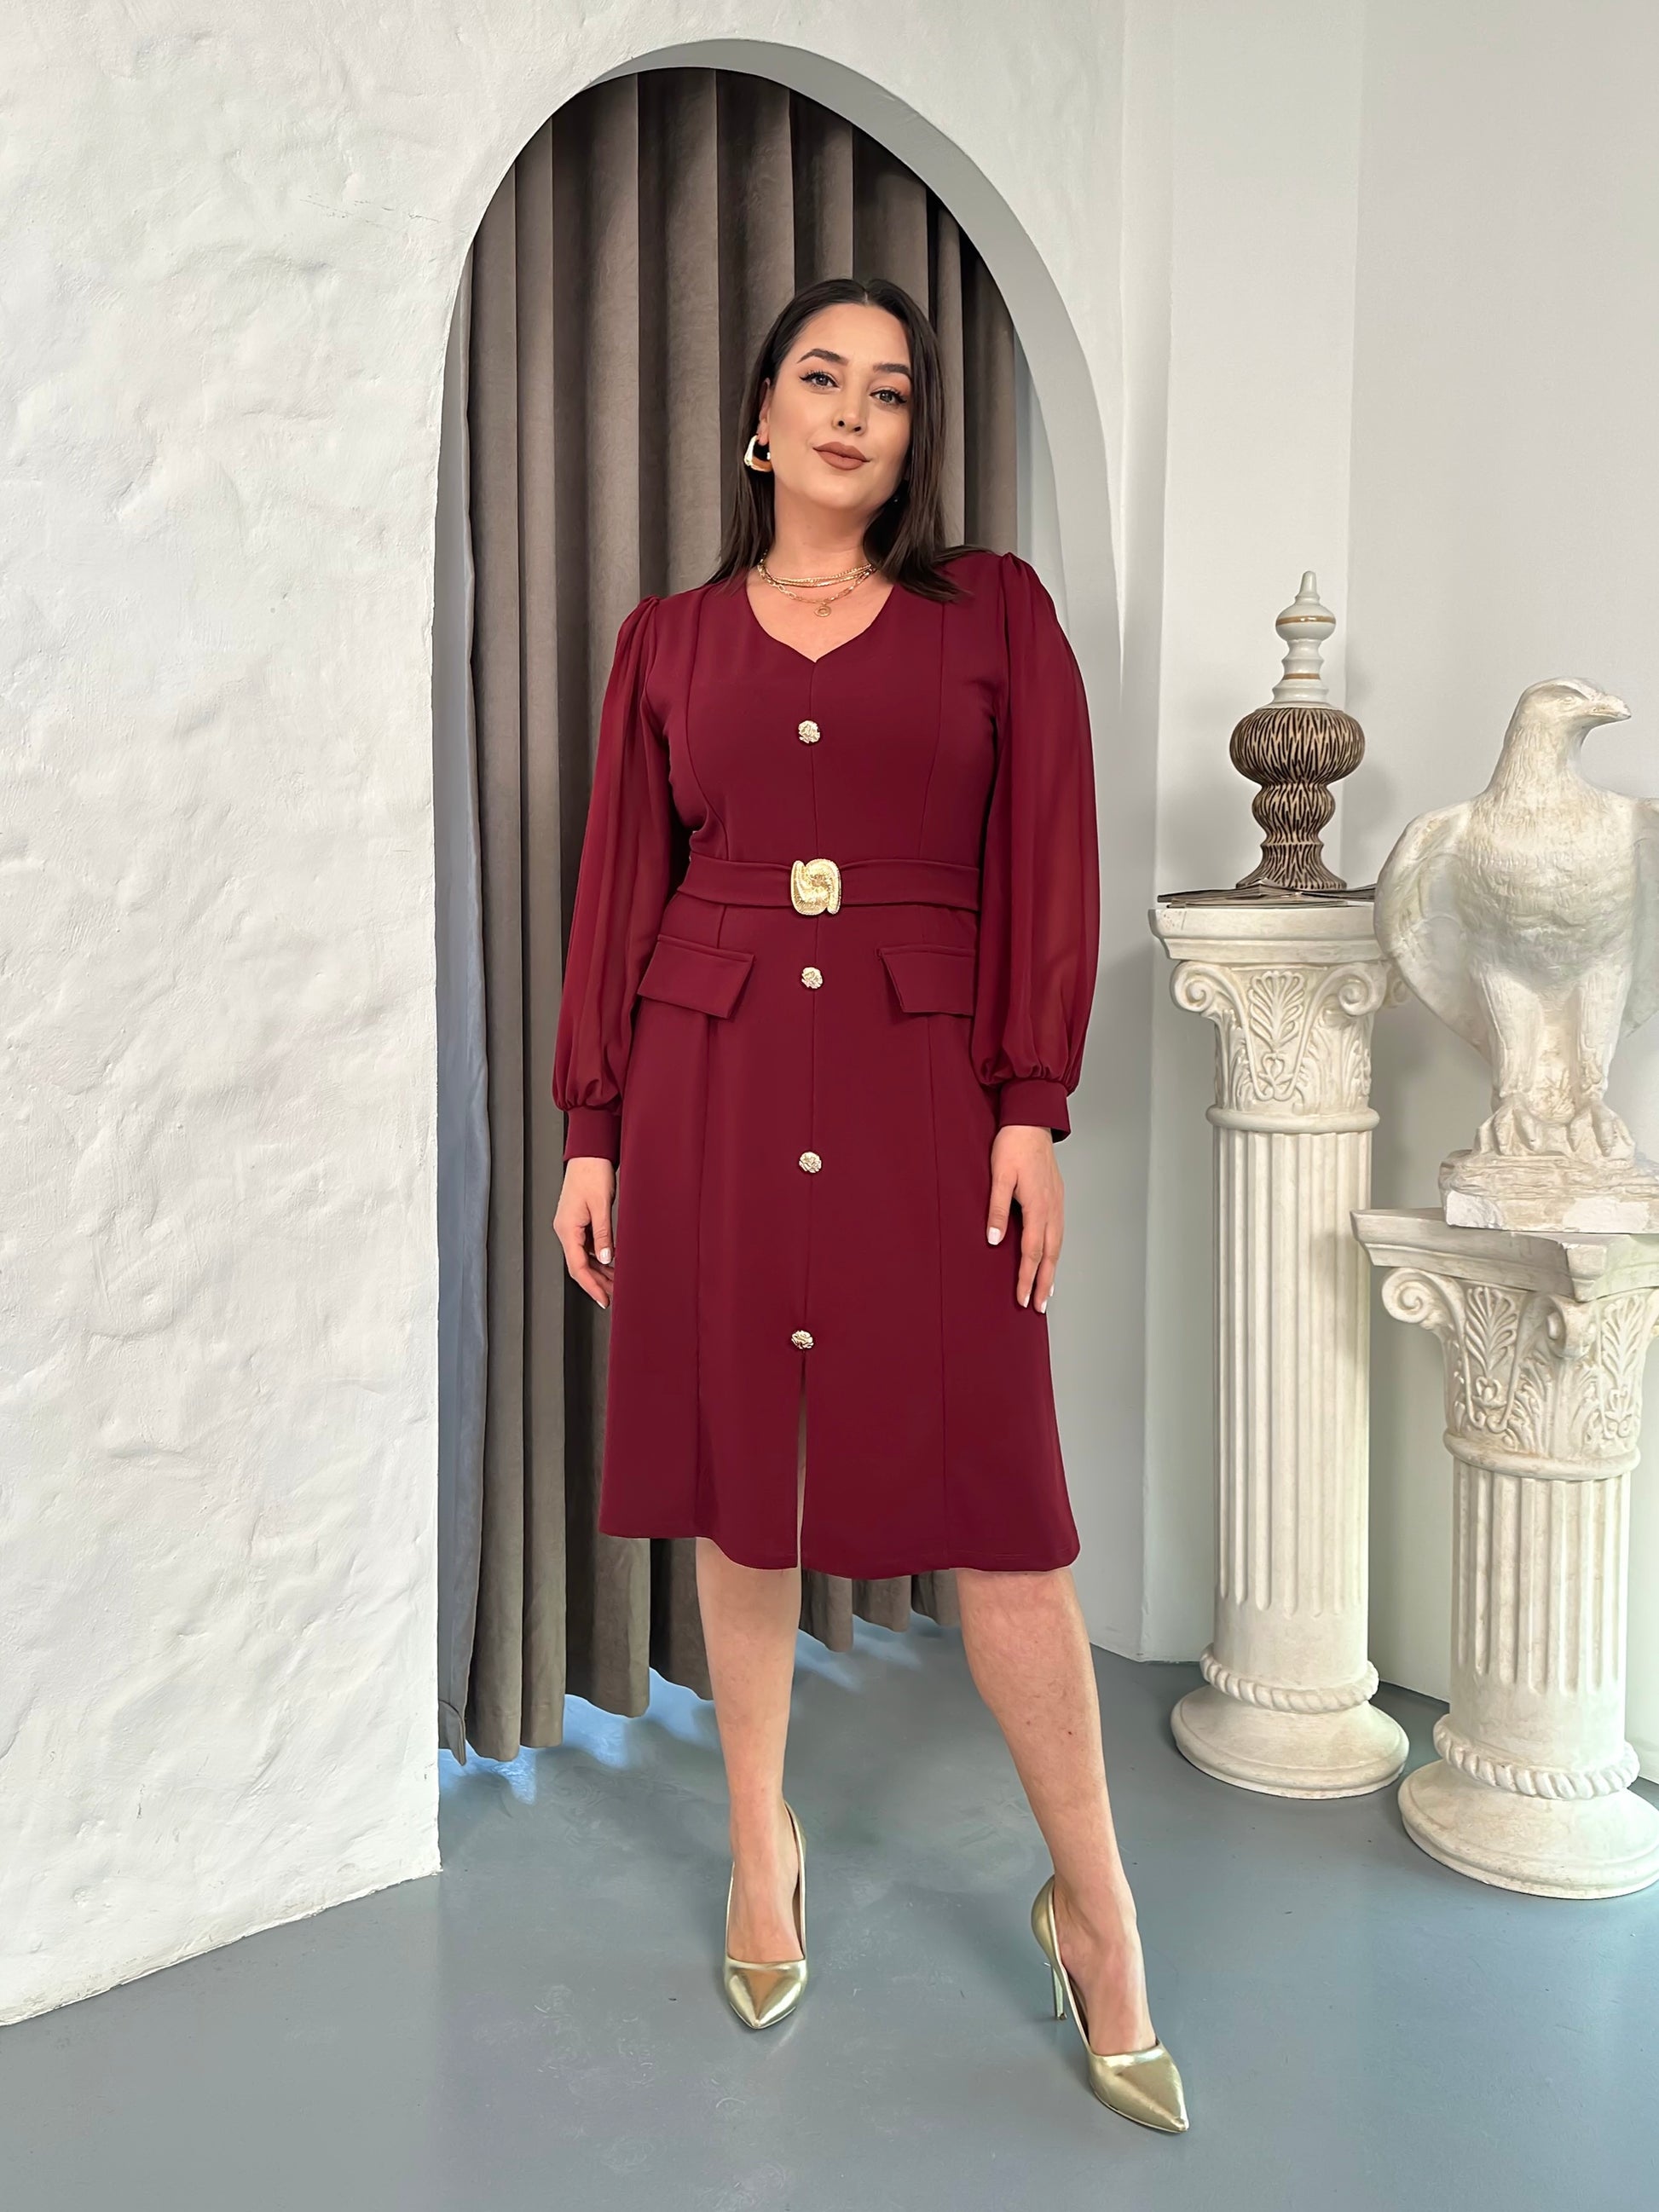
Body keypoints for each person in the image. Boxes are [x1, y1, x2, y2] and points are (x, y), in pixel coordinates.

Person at [550, 274, 1188, 2135]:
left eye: (890, 391)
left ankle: (1096, 1906)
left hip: (926, 1086)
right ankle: (762, 1843)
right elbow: (620, 886)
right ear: (759, 419)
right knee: (741, 1469)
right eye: (820, 378)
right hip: (714, 1078)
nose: (853, 410)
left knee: (1005, 1506)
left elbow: (1046, 855)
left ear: (911, 439)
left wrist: (1030, 1104)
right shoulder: (667, 642)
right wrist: (593, 1128)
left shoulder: (991, 614)